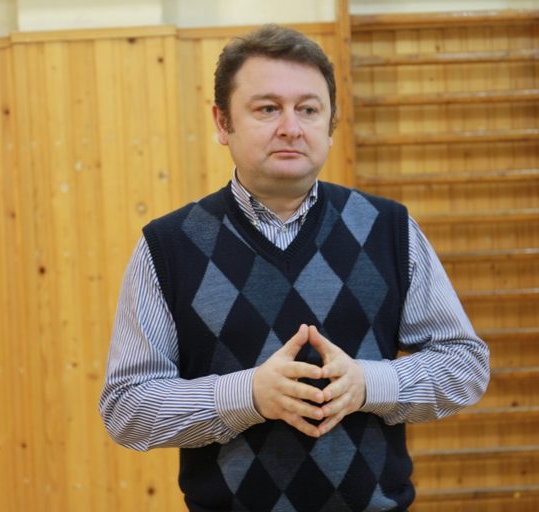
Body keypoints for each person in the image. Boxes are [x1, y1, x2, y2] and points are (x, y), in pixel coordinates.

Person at [100, 24, 489, 512]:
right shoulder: (168, 246)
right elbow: (127, 407)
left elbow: (465, 365)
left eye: (308, 109)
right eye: (267, 108)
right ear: (222, 122)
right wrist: (247, 395)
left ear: (330, 124)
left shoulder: (389, 229)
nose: (291, 127)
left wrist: (369, 384)